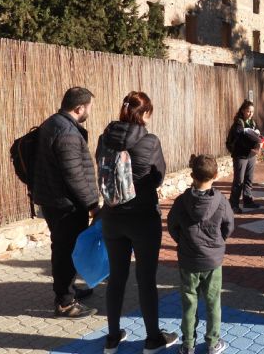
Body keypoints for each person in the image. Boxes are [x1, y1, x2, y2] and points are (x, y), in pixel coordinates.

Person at [98, 92, 178, 354]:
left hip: (111, 217)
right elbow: (158, 177)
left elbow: (101, 171)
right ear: (143, 114)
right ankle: (152, 339)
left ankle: (111, 338)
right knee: (146, 280)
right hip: (143, 218)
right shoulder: (150, 141)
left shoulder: (104, 138)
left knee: (116, 278)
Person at [32, 87, 100, 319]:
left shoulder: (52, 123)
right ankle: (64, 303)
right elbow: (74, 176)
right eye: (89, 107)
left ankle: (68, 290)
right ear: (79, 108)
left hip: (54, 199)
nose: (89, 111)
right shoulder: (68, 134)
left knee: (67, 249)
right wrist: (92, 204)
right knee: (64, 250)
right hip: (65, 205)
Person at [168, 154, 234, 354]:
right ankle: (213, 343)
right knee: (213, 302)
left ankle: (188, 344)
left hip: (188, 260)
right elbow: (229, 227)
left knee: (189, 302)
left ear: (191, 175)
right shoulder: (222, 201)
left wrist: (184, 242)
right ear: (215, 175)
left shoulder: (181, 201)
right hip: (213, 261)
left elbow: (172, 226)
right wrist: (217, 243)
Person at [228, 100, 262, 214]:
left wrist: (260, 140)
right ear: (243, 111)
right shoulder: (238, 123)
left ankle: (247, 200)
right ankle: (233, 204)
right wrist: (250, 137)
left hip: (251, 155)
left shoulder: (252, 122)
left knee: (249, 179)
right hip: (240, 156)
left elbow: (256, 136)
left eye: (252, 111)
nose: (250, 114)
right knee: (239, 181)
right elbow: (240, 138)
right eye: (248, 111)